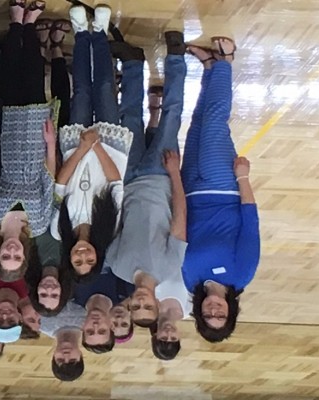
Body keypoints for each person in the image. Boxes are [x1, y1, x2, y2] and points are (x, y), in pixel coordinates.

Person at [104, 31, 189, 342]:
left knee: (129, 118)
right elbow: (179, 220)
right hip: (160, 175)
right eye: (148, 306)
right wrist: (175, 174)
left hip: (129, 178)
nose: (141, 302)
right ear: (156, 303)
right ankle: (176, 57)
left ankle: (132, 63)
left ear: (129, 304)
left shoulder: (116, 266)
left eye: (136, 307)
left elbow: (116, 221)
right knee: (170, 116)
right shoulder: (168, 267)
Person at [182, 37, 258, 344]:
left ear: (200, 312)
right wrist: (243, 178)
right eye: (220, 315)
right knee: (215, 122)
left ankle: (209, 67)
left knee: (198, 124)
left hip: (191, 189)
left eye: (208, 315)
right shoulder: (241, 274)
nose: (214, 310)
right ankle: (226, 61)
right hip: (224, 187)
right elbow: (251, 226)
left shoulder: (190, 280)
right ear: (230, 311)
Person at [51, 4, 131, 284]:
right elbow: (116, 182)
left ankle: (81, 34)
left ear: (69, 257)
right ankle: (99, 34)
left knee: (82, 90)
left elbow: (60, 184)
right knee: (105, 88)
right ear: (98, 256)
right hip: (107, 146)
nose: (83, 255)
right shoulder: (109, 227)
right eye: (89, 261)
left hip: (77, 147)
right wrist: (96, 145)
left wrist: (83, 147)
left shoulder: (59, 229)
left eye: (77, 261)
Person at [0, 1, 58, 280]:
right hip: (36, 146)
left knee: (10, 81)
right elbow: (49, 182)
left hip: (5, 145)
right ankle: (30, 25)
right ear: (25, 255)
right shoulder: (39, 224)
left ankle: (15, 22)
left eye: (6, 257)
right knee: (34, 79)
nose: (12, 251)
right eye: (17, 257)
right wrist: (51, 144)